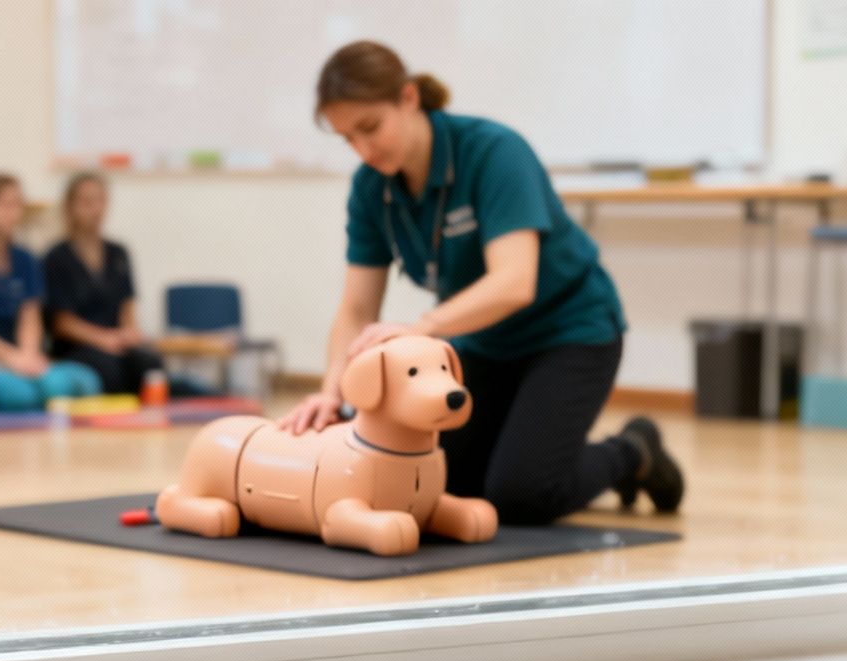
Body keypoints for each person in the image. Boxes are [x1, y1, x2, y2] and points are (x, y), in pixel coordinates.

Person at [278, 41, 682, 524]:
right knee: (440, 477)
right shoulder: (371, 187)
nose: (363, 150)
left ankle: (634, 450)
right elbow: (357, 310)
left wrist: (422, 329)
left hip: (569, 332)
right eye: (348, 139)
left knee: (520, 495)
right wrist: (332, 392)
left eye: (370, 127)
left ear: (408, 98)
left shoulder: (494, 152)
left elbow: (514, 282)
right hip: (485, 343)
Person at [0, 173, 101, 411]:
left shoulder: (25, 260)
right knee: (18, 395)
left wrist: (27, 355)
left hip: (22, 355)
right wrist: (11, 357)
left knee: (87, 381)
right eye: (3, 204)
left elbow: (30, 317)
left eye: (16, 204)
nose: (12, 212)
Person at [42, 172, 177, 397]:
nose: (96, 209)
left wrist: (130, 333)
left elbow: (127, 303)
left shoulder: (118, 253)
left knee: (150, 364)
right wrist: (104, 339)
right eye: (87, 202)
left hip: (117, 341)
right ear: (70, 207)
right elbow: (62, 323)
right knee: (110, 372)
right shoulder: (56, 258)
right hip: (78, 346)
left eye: (101, 201)